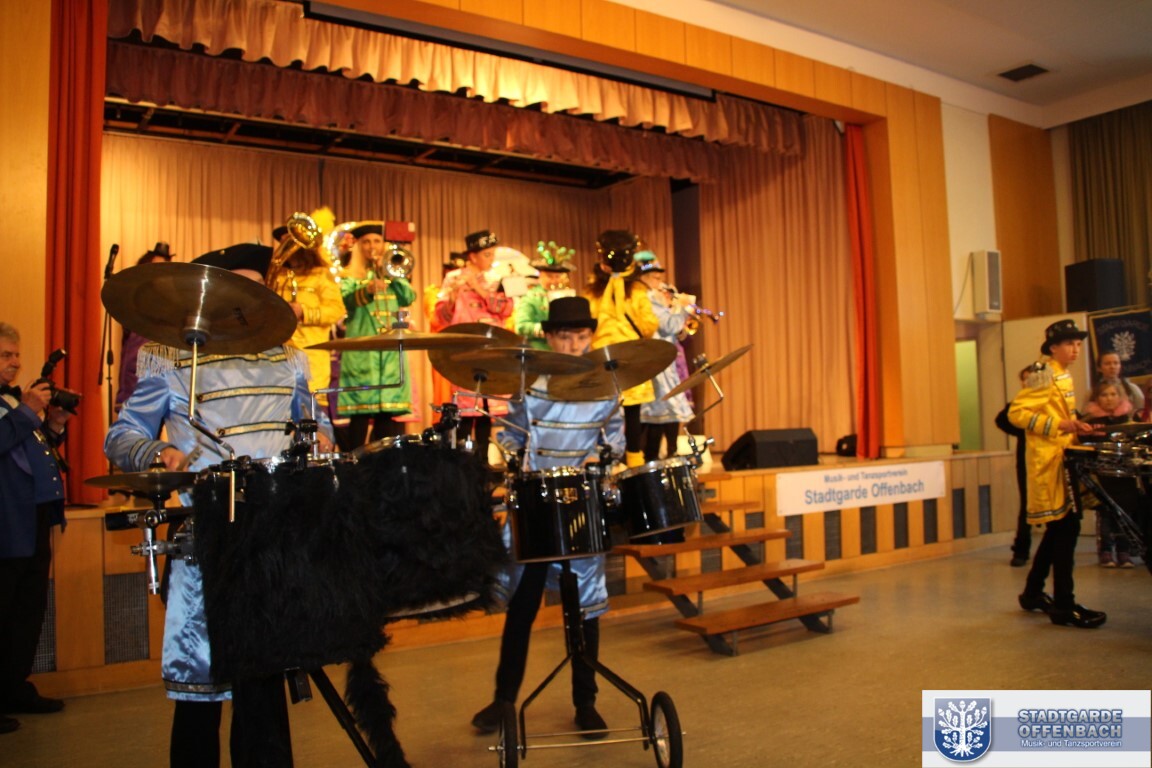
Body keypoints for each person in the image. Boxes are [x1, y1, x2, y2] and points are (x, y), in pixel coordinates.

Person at [106, 243, 333, 767]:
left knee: (264, 687)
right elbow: (121, 436)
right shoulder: (170, 359)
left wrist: (322, 439)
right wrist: (157, 451)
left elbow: (314, 427)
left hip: (273, 539)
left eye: (258, 290)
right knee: (199, 691)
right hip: (205, 543)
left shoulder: (288, 360)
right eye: (240, 289)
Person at [471, 296, 623, 739]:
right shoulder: (530, 383)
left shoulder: (606, 386)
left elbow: (614, 441)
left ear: (591, 337)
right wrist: (515, 459)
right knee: (522, 606)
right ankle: (503, 699)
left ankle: (586, 702)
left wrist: (602, 462)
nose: (574, 346)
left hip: (580, 500)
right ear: (550, 338)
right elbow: (508, 433)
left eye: (582, 337)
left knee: (584, 609)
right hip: (536, 501)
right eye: (565, 337)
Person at [1009, 319, 1105, 629]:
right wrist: (1059, 425)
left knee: (1060, 530)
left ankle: (1033, 592)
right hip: (1050, 464)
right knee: (1066, 528)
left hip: (1063, 458)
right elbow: (1017, 413)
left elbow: (1057, 410)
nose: (1075, 349)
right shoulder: (1043, 372)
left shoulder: (1062, 373)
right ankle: (1064, 604)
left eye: (1078, 344)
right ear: (1053, 347)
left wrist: (1078, 424)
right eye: (1069, 344)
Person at [0, 323, 70, 735]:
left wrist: (54, 424)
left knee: (27, 609)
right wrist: (28, 410)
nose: (15, 362)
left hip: (32, 517)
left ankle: (13, 687)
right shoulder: (18, 405)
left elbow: (29, 449)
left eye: (16, 355)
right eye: (5, 355)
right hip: (5, 521)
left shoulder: (12, 401)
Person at [336, 223, 417, 449]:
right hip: (363, 350)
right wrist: (367, 289)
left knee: (387, 412)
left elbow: (409, 297)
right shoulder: (350, 276)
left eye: (376, 241)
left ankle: (381, 459)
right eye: (366, 242)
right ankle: (354, 460)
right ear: (358, 246)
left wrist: (392, 274)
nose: (372, 246)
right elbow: (346, 300)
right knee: (360, 413)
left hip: (389, 352)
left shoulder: (392, 272)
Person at [584, 230, 658, 468]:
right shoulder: (636, 290)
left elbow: (588, 322)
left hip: (606, 358)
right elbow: (649, 326)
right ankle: (630, 460)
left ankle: (609, 460)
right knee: (629, 412)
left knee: (607, 412)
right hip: (624, 358)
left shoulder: (593, 290)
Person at [435, 230, 513, 454]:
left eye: (492, 254)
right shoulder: (453, 278)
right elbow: (440, 317)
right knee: (465, 407)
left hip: (491, 347)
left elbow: (506, 309)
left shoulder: (498, 279)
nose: (491, 259)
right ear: (473, 256)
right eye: (487, 255)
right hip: (465, 348)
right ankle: (463, 462)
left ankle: (483, 462)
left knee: (487, 411)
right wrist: (452, 297)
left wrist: (478, 288)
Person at [266, 235, 345, 409]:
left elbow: (336, 310)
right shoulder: (275, 274)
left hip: (312, 353)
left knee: (311, 409)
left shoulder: (321, 274)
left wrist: (304, 312)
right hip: (279, 351)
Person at [634, 255, 694, 461]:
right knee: (657, 414)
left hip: (658, 361)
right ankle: (649, 460)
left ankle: (652, 459)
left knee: (657, 415)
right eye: (656, 278)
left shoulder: (648, 298)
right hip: (655, 363)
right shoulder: (647, 298)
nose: (660, 283)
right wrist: (684, 308)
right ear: (644, 278)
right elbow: (669, 325)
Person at [1082, 380, 1137, 568]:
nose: (1109, 399)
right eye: (1104, 395)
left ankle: (1124, 551)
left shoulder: (1127, 420)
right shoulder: (1090, 421)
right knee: (1105, 513)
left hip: (1124, 474)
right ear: (1096, 398)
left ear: (1120, 397)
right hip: (1101, 473)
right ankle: (1106, 550)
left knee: (1125, 511)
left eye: (1113, 394)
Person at [116, 242, 174, 410]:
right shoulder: (136, 308)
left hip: (165, 390)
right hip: (135, 390)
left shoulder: (173, 310)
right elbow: (132, 361)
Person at [995, 366, 1034, 567]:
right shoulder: (1018, 405)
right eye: (1025, 379)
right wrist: (1021, 431)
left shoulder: (1051, 402)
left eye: (1032, 379)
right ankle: (1021, 550)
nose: (1028, 383)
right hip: (1027, 460)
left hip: (1051, 460)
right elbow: (1001, 420)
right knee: (1027, 505)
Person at [513, 240, 577, 350]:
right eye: (550, 276)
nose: (554, 280)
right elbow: (520, 326)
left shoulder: (568, 296)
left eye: (557, 277)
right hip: (539, 350)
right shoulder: (531, 297)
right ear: (541, 276)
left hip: (565, 349)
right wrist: (545, 329)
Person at [1095, 349, 1145, 415]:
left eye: (1116, 363)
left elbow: (1140, 410)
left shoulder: (1131, 388)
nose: (1112, 367)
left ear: (1120, 366)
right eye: (1107, 364)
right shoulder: (1093, 392)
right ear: (1099, 368)